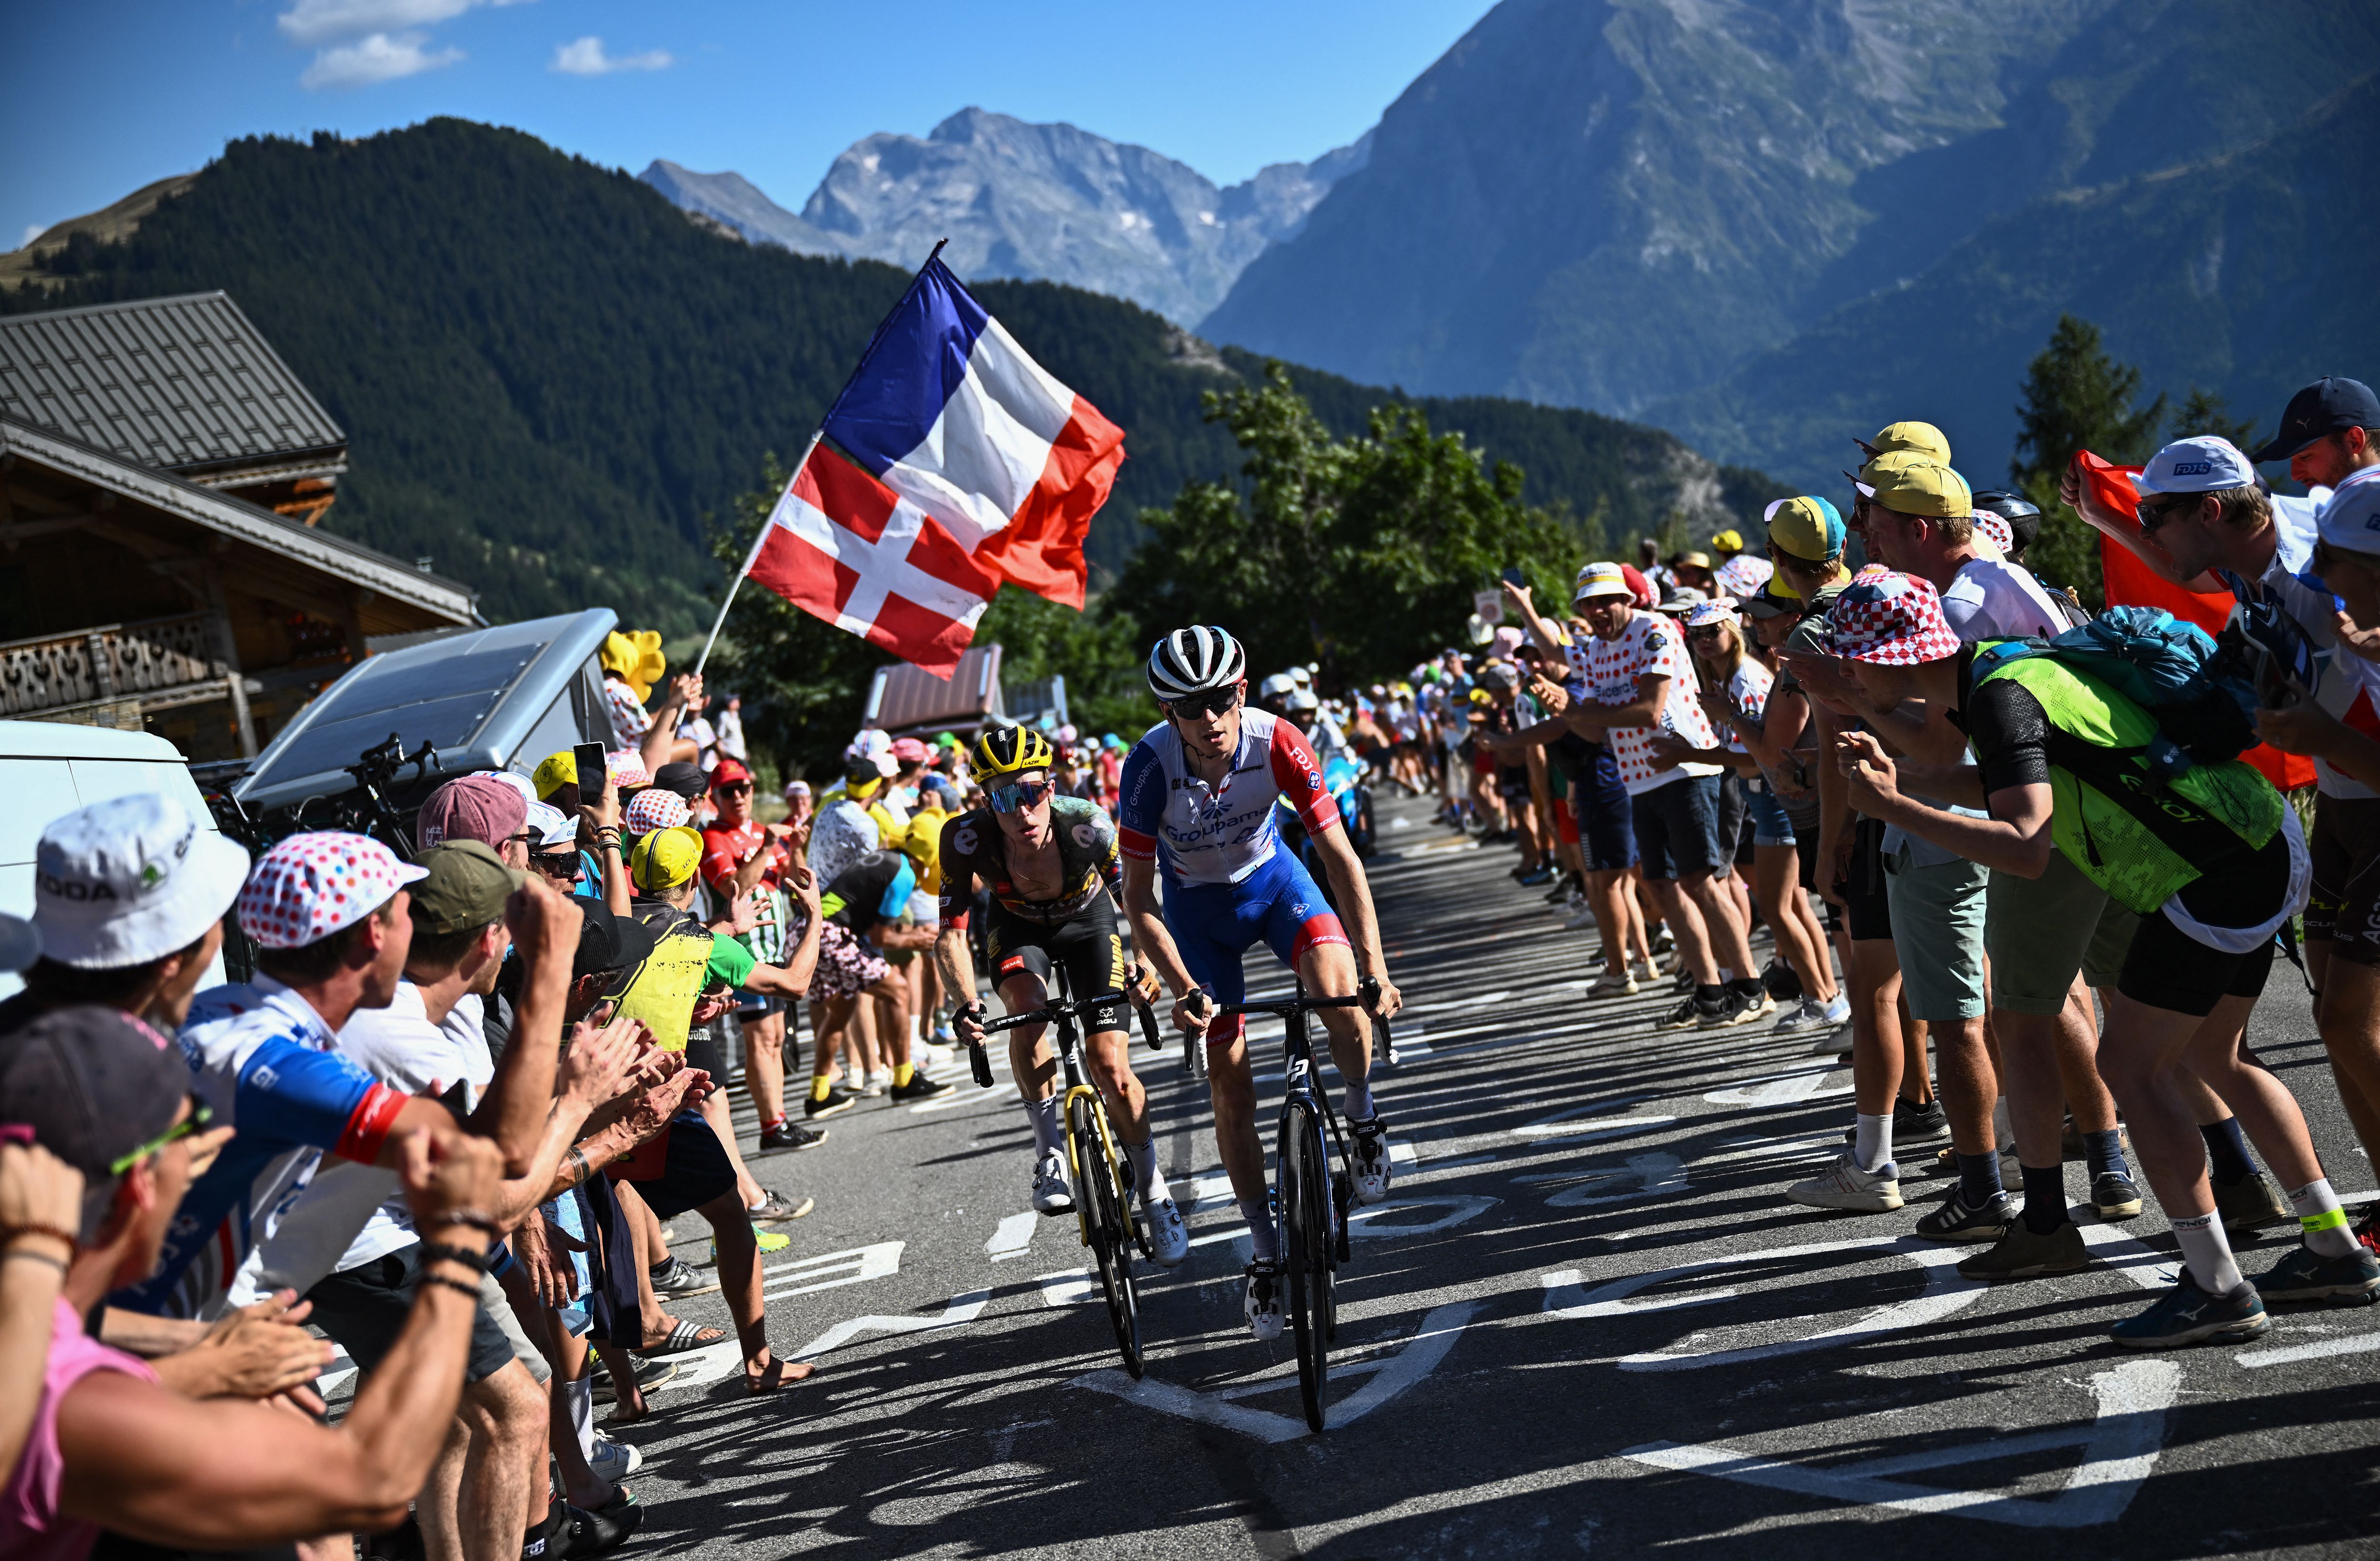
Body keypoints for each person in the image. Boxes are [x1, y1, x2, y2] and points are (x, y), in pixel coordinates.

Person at [1828, 565, 2378, 1340]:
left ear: (1895, 657)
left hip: (2212, 871)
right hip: (2253, 839)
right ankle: (2334, 1248)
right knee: (2218, 1057)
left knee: (2134, 1067)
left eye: (1852, 661)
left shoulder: (1999, 697)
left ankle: (2218, 1288)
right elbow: (1990, 781)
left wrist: (1892, 807)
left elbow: (2023, 845)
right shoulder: (2006, 671)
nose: (1841, 673)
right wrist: (1907, 784)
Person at [0, 1003, 505, 1559]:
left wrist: (198, 1348)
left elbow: (67, 1334)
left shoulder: (30, 1303)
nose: (205, 1160)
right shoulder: (75, 1408)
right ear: (138, 1187)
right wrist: (457, 1243)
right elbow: (370, 1484)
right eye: (192, 1139)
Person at [1116, 626, 1403, 1343]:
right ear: (1168, 711)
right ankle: (1266, 1251)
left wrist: (1376, 963)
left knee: (1340, 995)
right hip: (1199, 920)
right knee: (1230, 1077)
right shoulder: (1147, 770)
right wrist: (1182, 985)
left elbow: (1338, 856)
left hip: (1277, 889)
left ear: (1241, 692)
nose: (1208, 717)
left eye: (1219, 699)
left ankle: (1362, 1113)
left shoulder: (1278, 740)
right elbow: (1139, 903)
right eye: (1189, 706)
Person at [940, 727, 1189, 1262]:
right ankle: (1049, 1149)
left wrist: (1147, 964)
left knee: (1111, 1066)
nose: (1021, 810)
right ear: (987, 800)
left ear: (1050, 789)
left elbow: (1138, 902)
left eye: (1031, 792)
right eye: (1005, 797)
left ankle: (1151, 1187)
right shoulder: (964, 838)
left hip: (1088, 923)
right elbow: (949, 934)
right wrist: (964, 1003)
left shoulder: (1088, 825)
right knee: (1026, 1010)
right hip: (1016, 929)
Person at [606, 826, 820, 1392]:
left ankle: (626, 1394)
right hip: (657, 1105)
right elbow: (794, 983)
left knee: (608, 1231)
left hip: (594, 1102)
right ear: (694, 880)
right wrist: (814, 916)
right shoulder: (702, 942)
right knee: (730, 1216)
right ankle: (759, 1363)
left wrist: (686, 1017)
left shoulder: (609, 927)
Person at [1562, 563, 1770, 1028]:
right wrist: (1571, 709)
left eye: (1605, 600)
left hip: (1684, 771)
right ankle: (1708, 990)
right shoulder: (1595, 649)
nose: (1596, 611)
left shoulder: (1653, 628)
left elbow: (1649, 710)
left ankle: (1751, 986)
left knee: (1702, 881)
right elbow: (1593, 728)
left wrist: (1585, 712)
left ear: (1626, 600)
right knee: (1660, 886)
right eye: (1587, 603)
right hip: (1639, 779)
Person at [5, 793, 249, 1040]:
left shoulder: (14, 1032)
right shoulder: (142, 1070)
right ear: (170, 962)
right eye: (217, 916)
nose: (222, 933)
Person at [697, 758, 821, 1156]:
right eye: (728, 791)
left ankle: (779, 1120)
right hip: (742, 953)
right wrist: (768, 846)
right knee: (761, 1039)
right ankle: (772, 1126)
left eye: (744, 788)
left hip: (773, 950)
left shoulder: (757, 831)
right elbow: (734, 887)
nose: (738, 797)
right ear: (714, 798)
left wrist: (796, 848)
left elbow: (796, 880)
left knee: (776, 1037)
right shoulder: (714, 836)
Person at [715, 693, 748, 765]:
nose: (738, 702)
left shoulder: (736, 716)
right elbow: (719, 739)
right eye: (735, 701)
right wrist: (723, 756)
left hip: (740, 753)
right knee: (750, 775)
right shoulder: (724, 717)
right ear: (730, 703)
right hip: (731, 754)